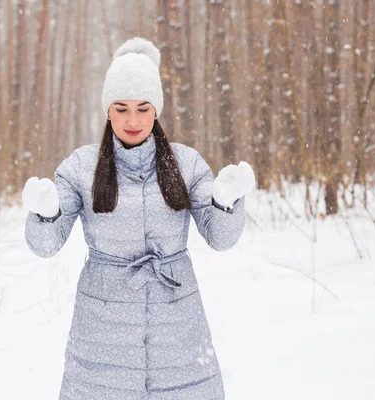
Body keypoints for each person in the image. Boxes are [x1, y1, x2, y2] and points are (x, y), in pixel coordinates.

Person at [23, 37, 255, 400]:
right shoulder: (81, 167)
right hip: (102, 332)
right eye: (122, 108)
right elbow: (46, 245)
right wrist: (45, 213)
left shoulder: (187, 163)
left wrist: (225, 203)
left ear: (156, 110)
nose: (133, 120)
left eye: (143, 108)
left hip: (177, 328)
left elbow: (220, 238)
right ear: (108, 110)